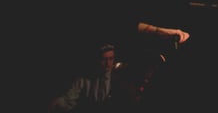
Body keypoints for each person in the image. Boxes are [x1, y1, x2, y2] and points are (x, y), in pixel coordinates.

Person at [47, 25, 190, 112]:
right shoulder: (84, 79)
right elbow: (67, 100)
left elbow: (147, 64)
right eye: (104, 59)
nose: (107, 63)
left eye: (111, 59)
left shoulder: (120, 72)